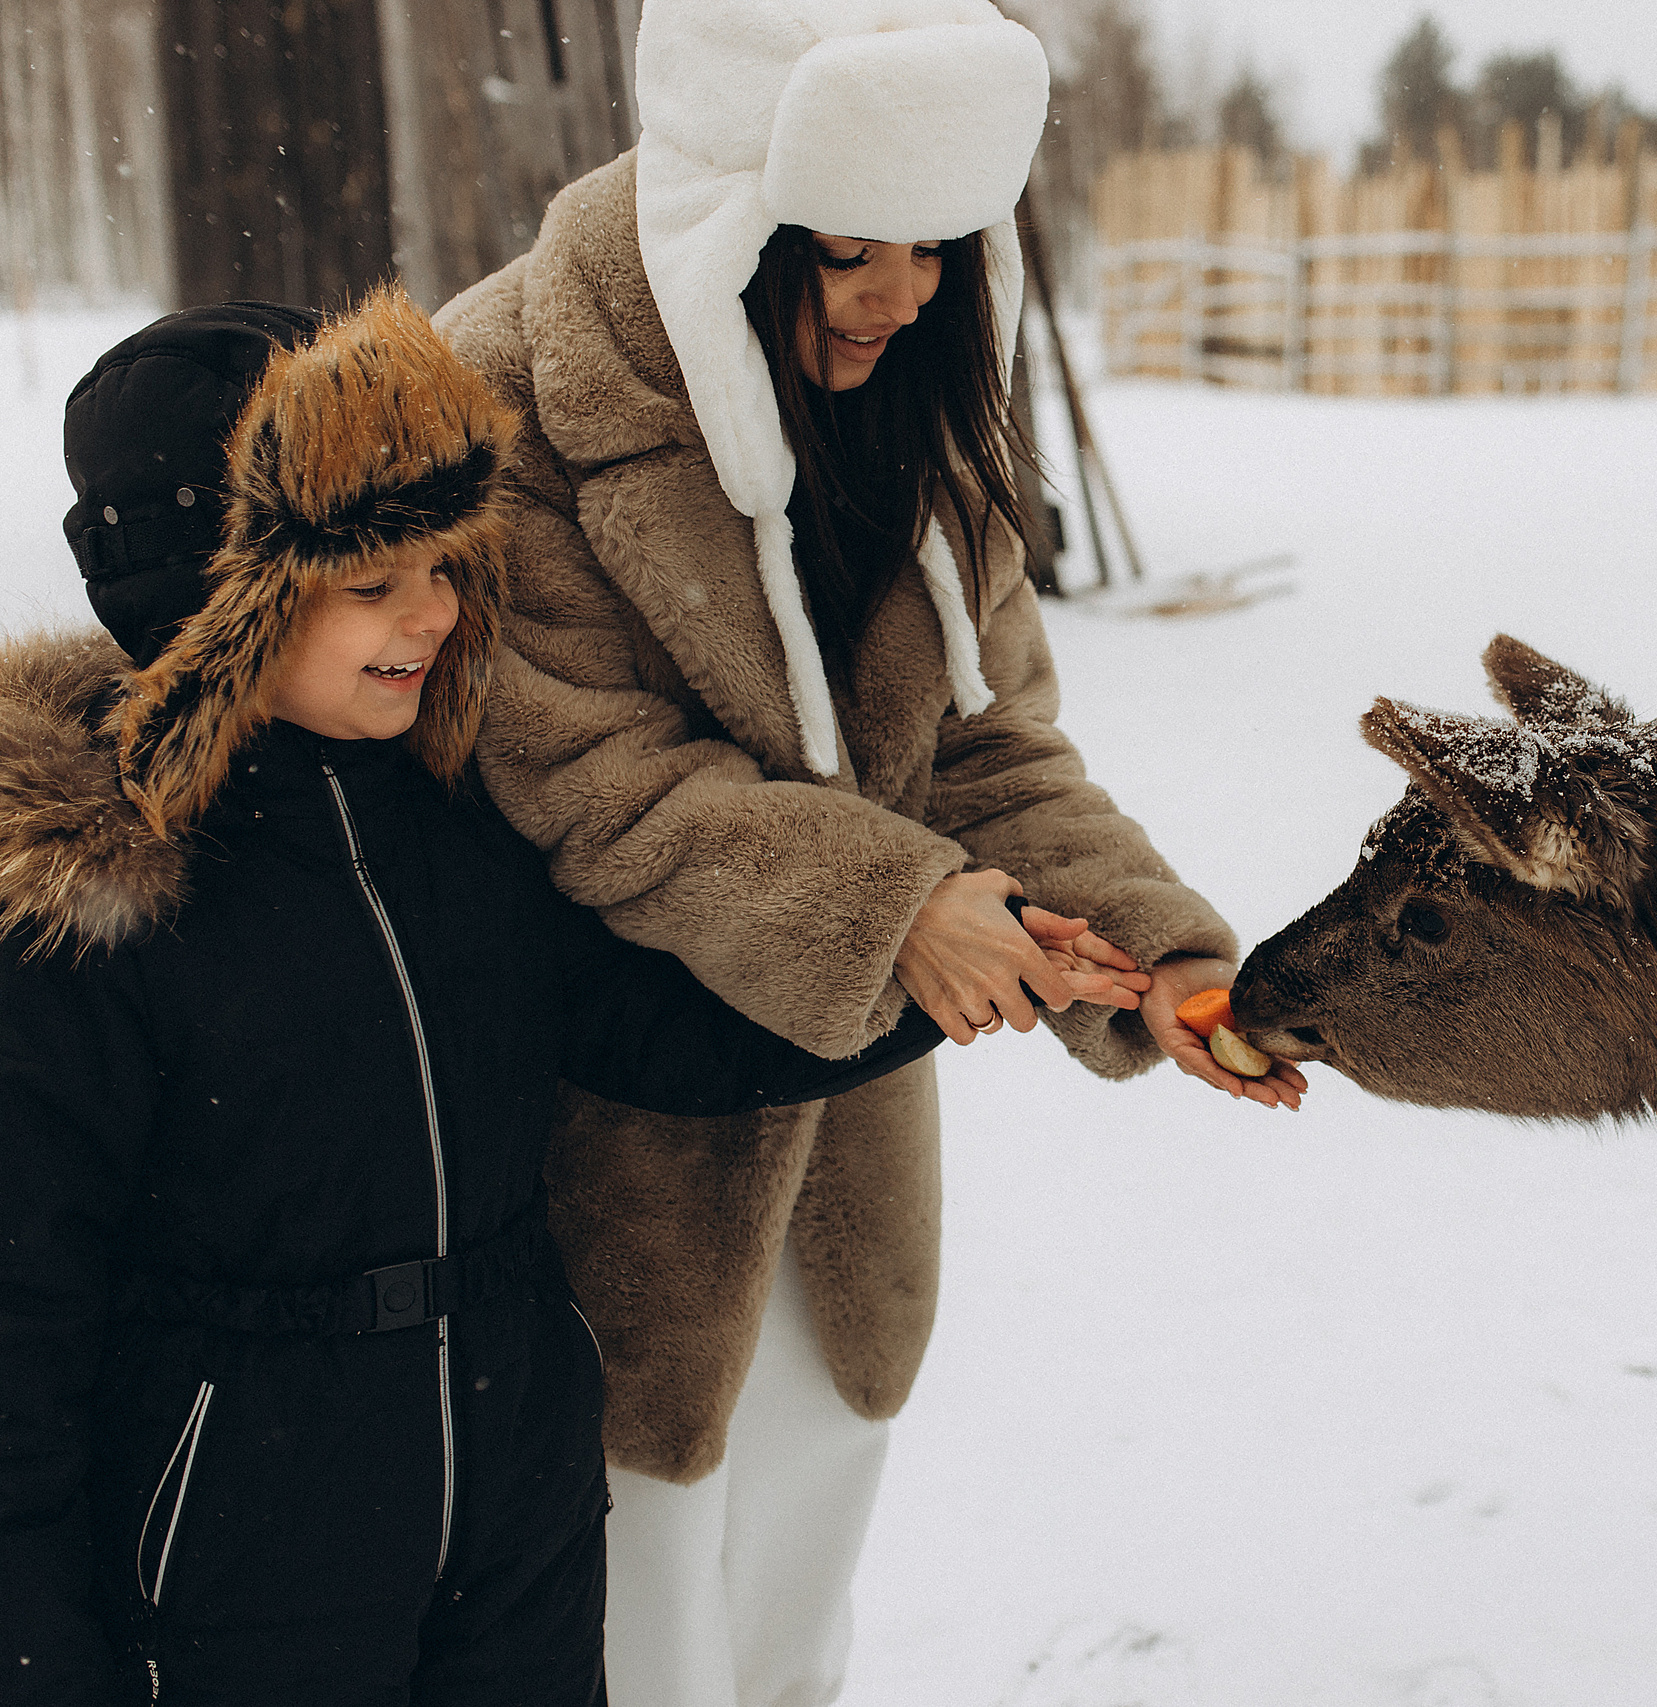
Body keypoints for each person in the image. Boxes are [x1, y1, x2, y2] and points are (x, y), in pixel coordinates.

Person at [432, 0, 1308, 1700]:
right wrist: (892, 907)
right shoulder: (508, 401)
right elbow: (601, 787)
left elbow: (984, 745)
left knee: (794, 1598)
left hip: (841, 1140)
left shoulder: (913, 403)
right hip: (614, 1146)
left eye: (935, 245)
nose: (904, 294)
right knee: (633, 1617)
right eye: (847, 248)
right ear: (728, 222)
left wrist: (1168, 962)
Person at [0, 290, 952, 1703]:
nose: (434, 616)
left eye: (446, 566)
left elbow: (641, 1027)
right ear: (215, 594)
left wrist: (910, 963)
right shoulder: (88, 903)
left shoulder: (459, 814)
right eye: (370, 581)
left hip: (513, 1527)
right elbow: (22, 1323)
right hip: (237, 1567)